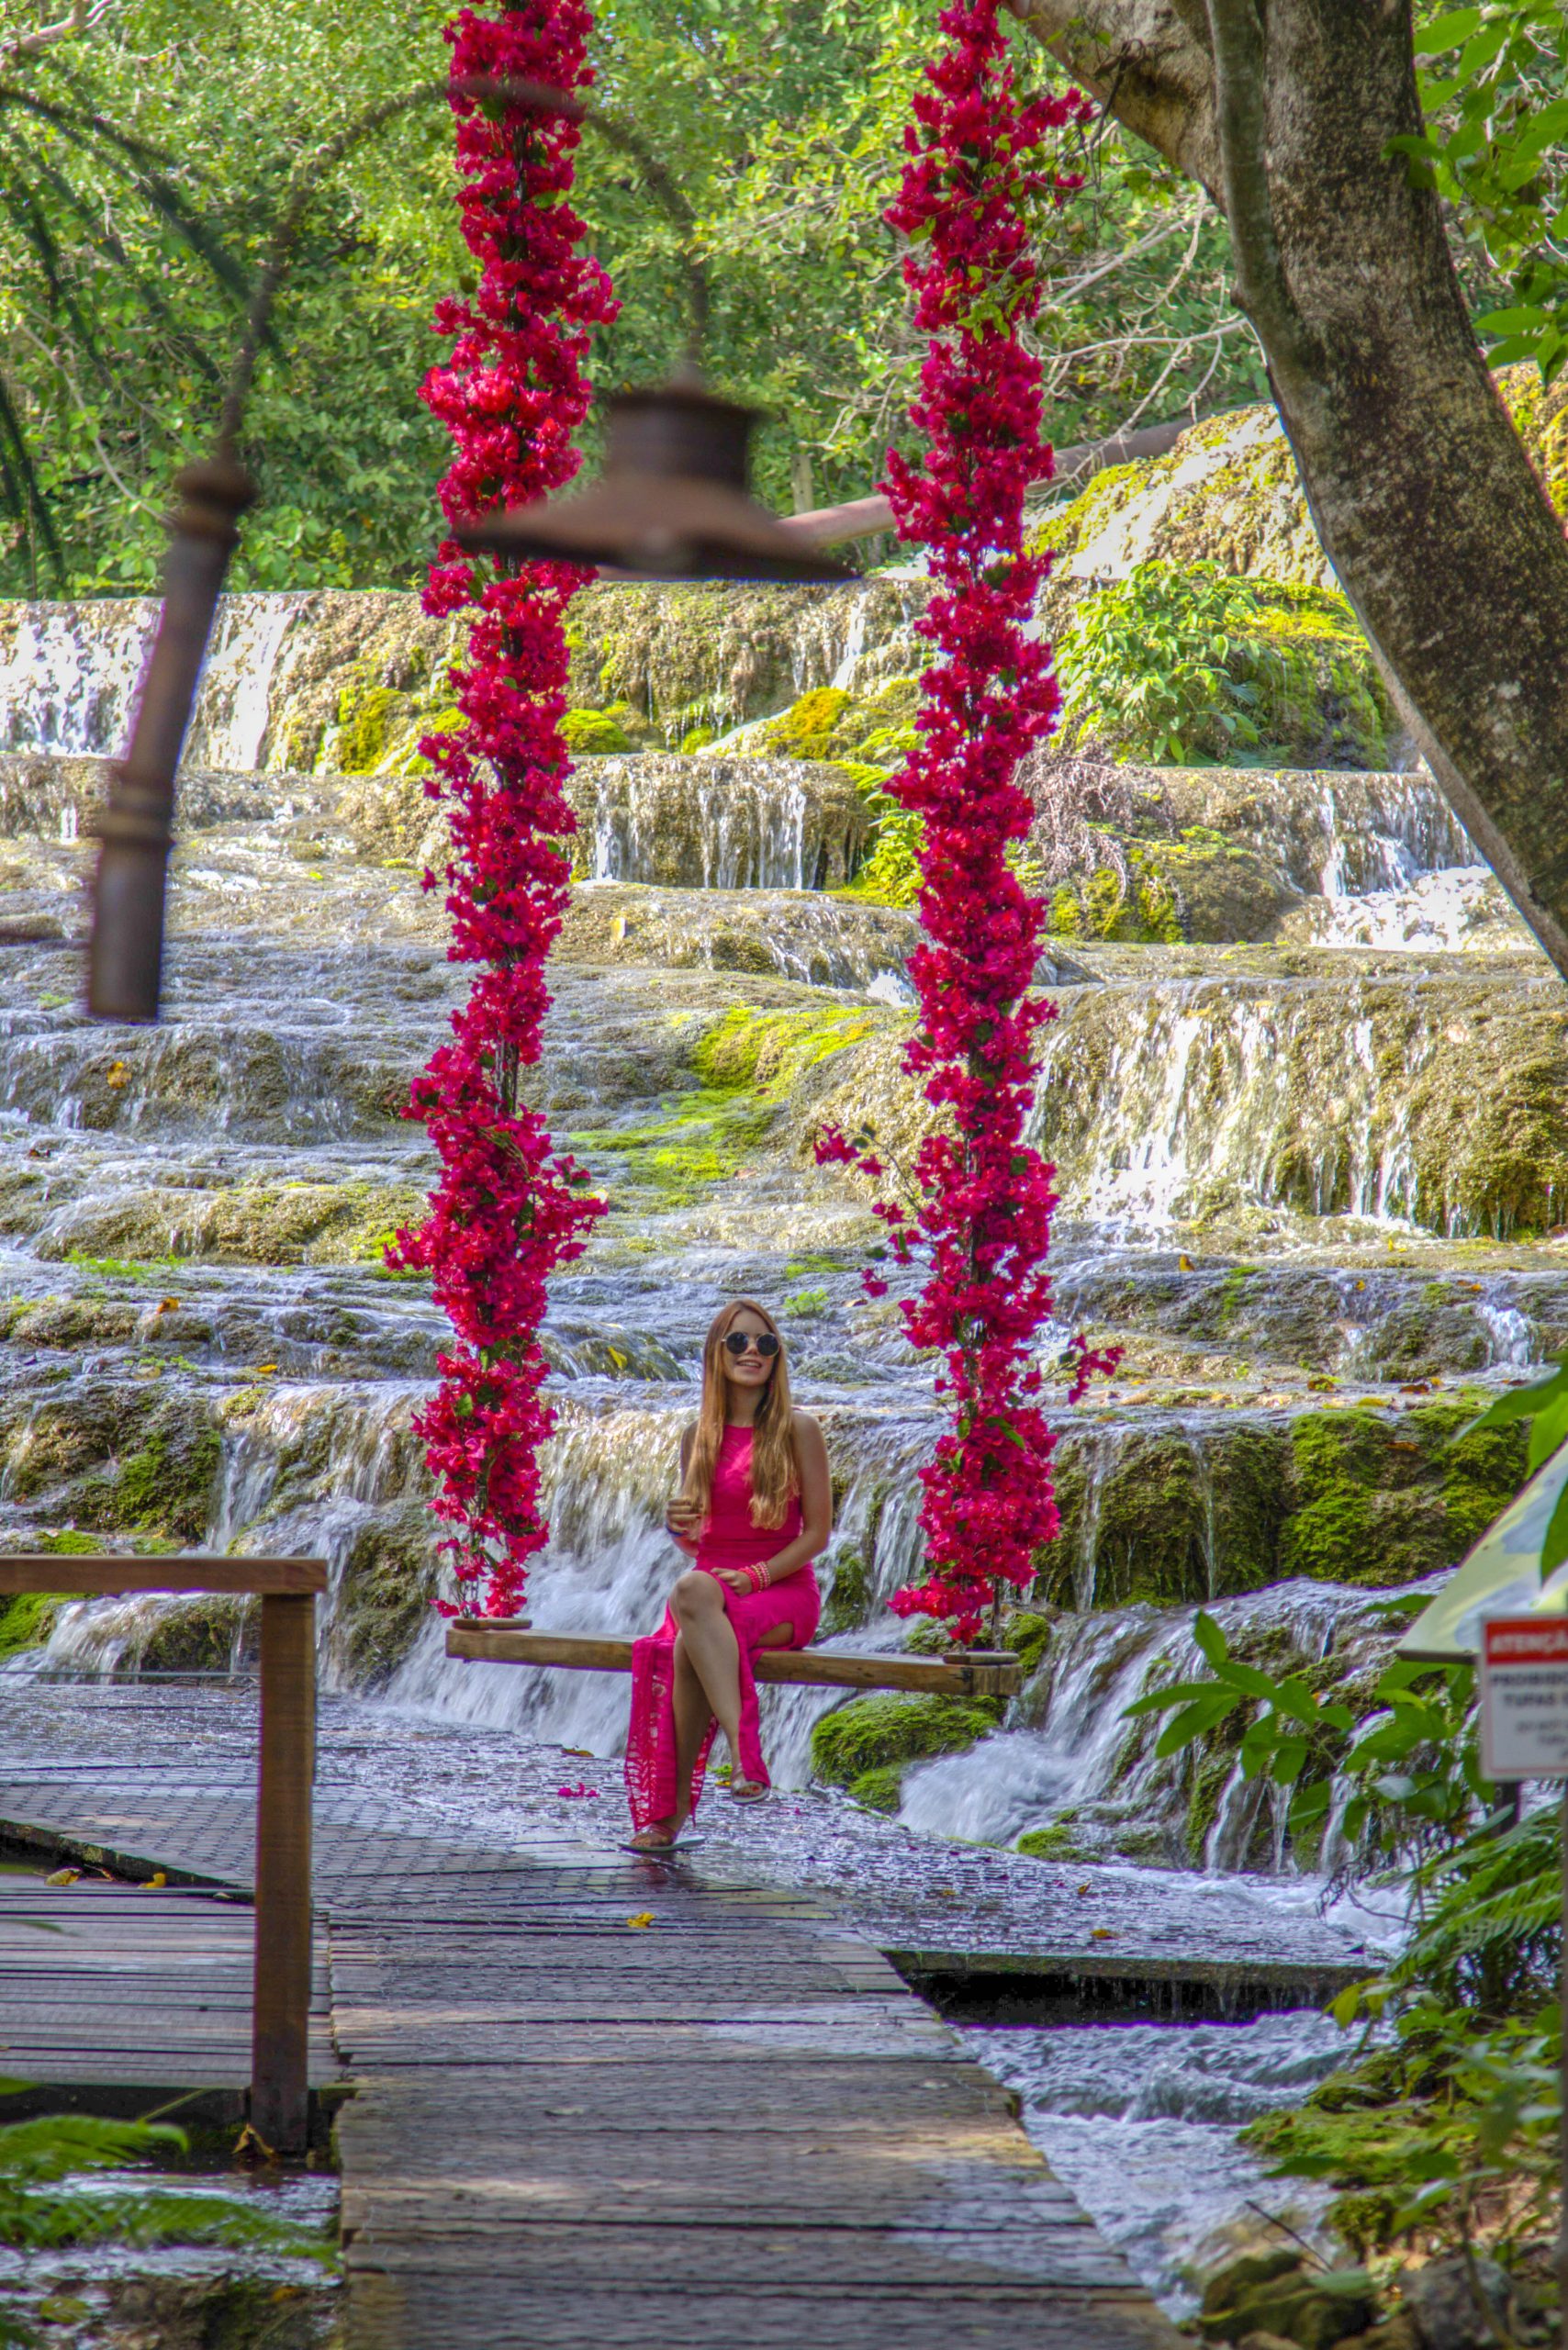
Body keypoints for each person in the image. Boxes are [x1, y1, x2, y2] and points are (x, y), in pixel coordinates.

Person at [623, 1297, 832, 1854]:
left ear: (777, 1357)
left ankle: (675, 1810)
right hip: (710, 1591)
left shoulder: (799, 1429)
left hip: (781, 1591)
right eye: (738, 1341)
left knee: (692, 1610)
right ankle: (734, 1770)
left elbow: (817, 1535)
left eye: (765, 1343)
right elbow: (699, 1543)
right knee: (692, 1610)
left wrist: (760, 1576)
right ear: (717, 1354)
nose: (753, 1352)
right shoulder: (699, 1436)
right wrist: (677, 1529)